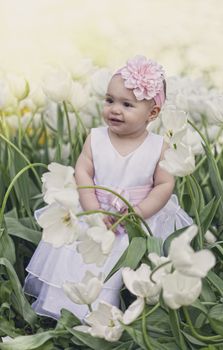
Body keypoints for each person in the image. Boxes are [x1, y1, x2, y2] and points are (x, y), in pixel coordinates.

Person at [24, 55, 192, 321]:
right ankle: (68, 309)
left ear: (152, 113)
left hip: (137, 216)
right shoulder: (96, 138)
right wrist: (91, 209)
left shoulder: (158, 146)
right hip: (96, 210)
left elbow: (164, 184)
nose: (114, 109)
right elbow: (83, 171)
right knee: (81, 260)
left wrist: (139, 212)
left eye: (127, 104)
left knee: (132, 265)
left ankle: (128, 313)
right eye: (109, 100)